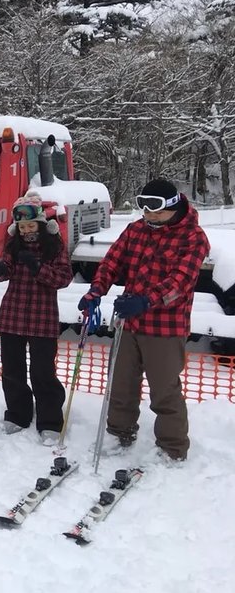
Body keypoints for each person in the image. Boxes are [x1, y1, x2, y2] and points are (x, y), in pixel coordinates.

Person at [77, 178, 210, 461]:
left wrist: (147, 300)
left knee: (164, 390)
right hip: (129, 321)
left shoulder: (193, 237)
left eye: (156, 209)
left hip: (165, 326)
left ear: (173, 206)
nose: (149, 215)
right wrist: (96, 290)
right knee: (121, 382)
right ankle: (120, 431)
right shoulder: (137, 229)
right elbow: (112, 261)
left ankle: (172, 447)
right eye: (144, 208)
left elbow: (181, 281)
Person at [0, 195, 73, 444]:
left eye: (30, 226)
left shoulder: (54, 245)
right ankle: (18, 413)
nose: (26, 231)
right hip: (13, 314)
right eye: (22, 227)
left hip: (42, 317)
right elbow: (8, 265)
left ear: (41, 224)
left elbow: (63, 278)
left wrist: (38, 268)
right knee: (12, 369)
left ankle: (50, 420)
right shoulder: (14, 243)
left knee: (42, 371)